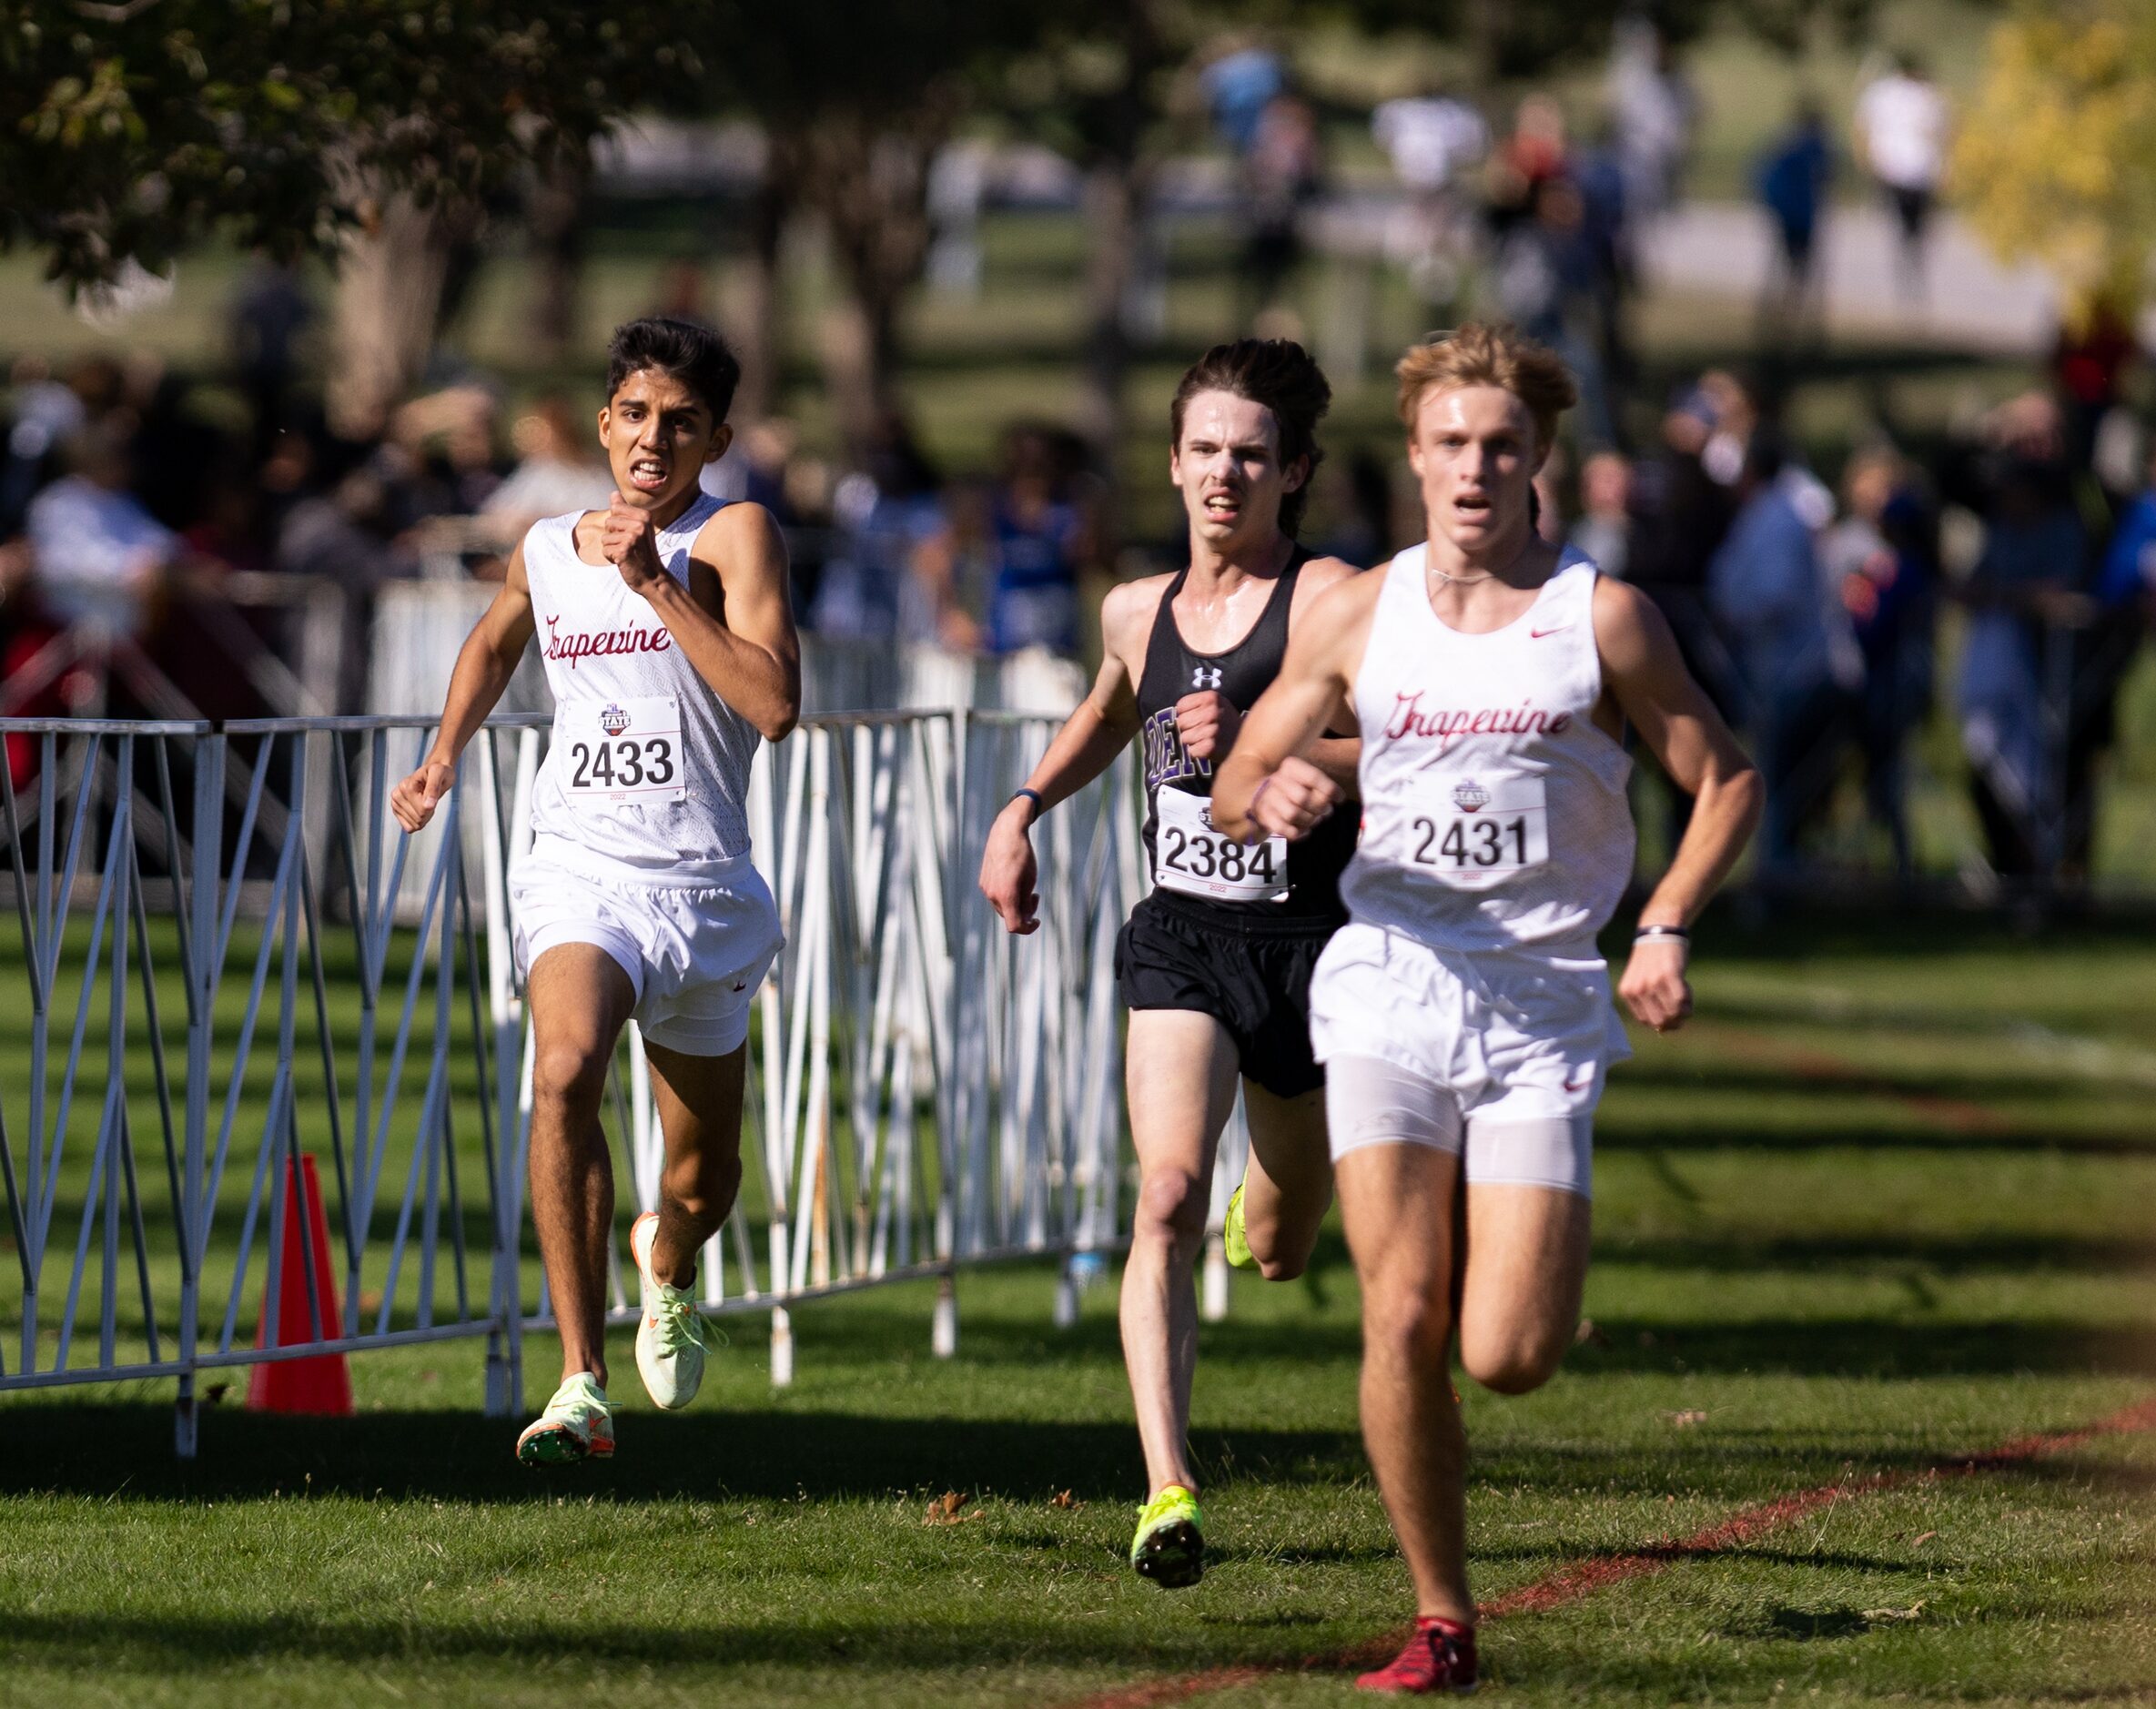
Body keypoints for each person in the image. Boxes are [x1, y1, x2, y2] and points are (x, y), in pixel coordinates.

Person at [1211, 324, 1759, 1692]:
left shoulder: (1602, 618)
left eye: (1499, 446)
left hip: (1540, 1002)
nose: (1473, 467)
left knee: (1504, 1353)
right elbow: (1236, 766)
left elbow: (1726, 776)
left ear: (1539, 464)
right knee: (1398, 1315)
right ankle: (1441, 1616)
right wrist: (1265, 790)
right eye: (1450, 443)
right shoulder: (1356, 613)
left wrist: (1669, 917)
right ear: (1414, 457)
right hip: (1392, 978)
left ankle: (1475, 1233)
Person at [977, 339, 1360, 1589]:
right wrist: (1024, 805)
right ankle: (1165, 1487)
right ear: (1176, 459)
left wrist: (1265, 737)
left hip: (1310, 949)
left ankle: (1274, 1205)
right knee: (1161, 1197)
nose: (1223, 475)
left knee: (1289, 1239)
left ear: (1291, 470)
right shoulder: (1133, 608)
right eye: (1204, 449)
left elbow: (1408, 742)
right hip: (1183, 938)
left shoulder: (1328, 598)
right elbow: (1108, 707)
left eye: (1251, 455)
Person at [390, 317, 800, 1464]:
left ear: (716, 436)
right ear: (605, 421)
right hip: (579, 866)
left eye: (680, 423)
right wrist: (441, 753)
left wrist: (655, 585)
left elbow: (773, 704)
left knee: (703, 1178)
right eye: (633, 416)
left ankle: (665, 1257)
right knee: (563, 1069)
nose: (652, 441)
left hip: (706, 889)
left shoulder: (735, 536)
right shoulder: (546, 541)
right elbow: (492, 641)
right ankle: (578, 1382)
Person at [1854, 52, 1948, 304]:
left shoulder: (1880, 93)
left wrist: (1866, 159)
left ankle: (1907, 267)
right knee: (1915, 227)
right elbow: (1943, 132)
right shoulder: (1929, 97)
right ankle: (1912, 267)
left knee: (1902, 225)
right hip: (1919, 172)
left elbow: (1862, 126)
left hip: (1890, 169)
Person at [1755, 100, 1834, 341]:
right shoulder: (1812, 147)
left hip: (1790, 213)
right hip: (1801, 214)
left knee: (1786, 265)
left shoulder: (1784, 144)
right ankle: (1791, 316)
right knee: (1799, 268)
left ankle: (1783, 315)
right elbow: (1824, 179)